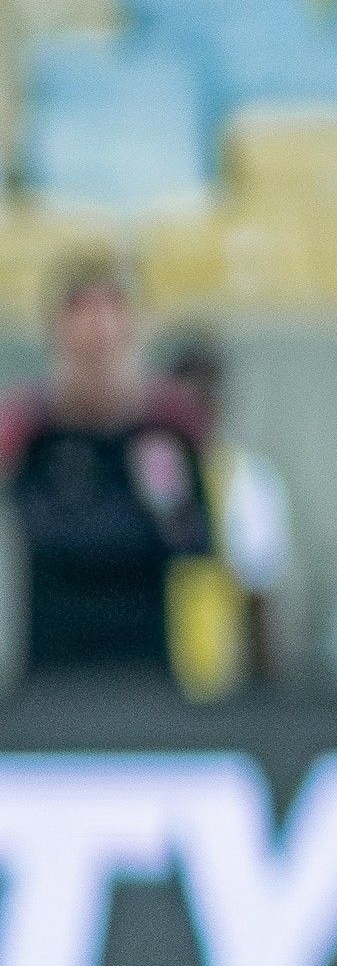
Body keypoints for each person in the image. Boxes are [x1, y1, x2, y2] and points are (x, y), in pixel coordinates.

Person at [0, 257, 216, 685]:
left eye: (113, 339)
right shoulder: (29, 431)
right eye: (85, 347)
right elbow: (37, 536)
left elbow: (196, 544)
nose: (100, 343)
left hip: (146, 671)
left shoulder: (165, 429)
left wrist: (164, 501)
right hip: (50, 674)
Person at [158, 328, 298, 694]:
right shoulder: (148, 468)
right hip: (145, 679)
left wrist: (263, 699)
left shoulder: (248, 481)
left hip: (216, 686)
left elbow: (259, 598)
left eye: (204, 396)